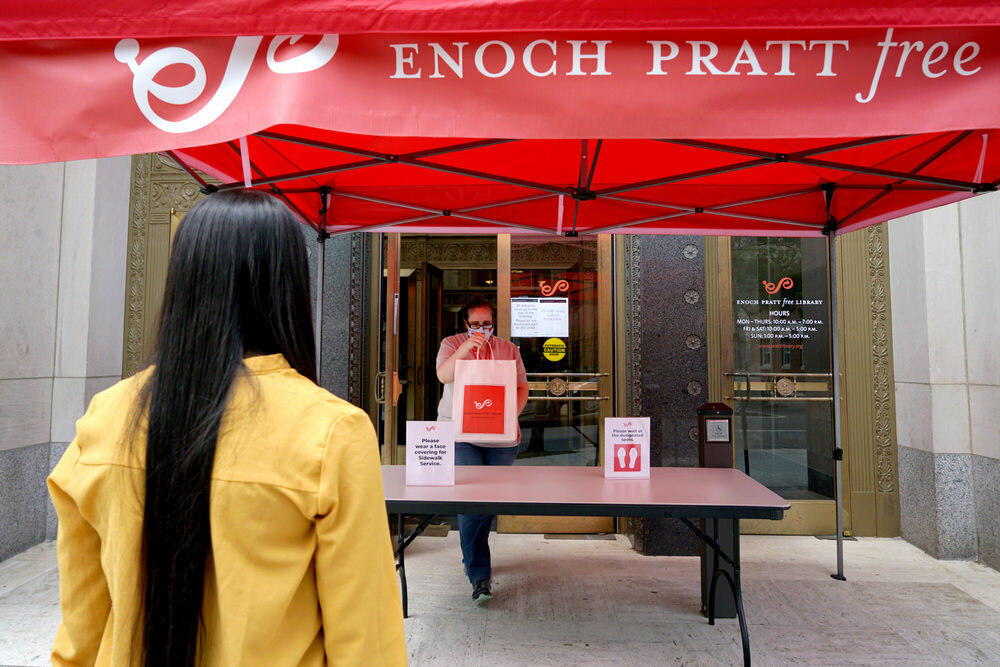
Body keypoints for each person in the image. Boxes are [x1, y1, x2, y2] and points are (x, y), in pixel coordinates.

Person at [47, 190, 407, 666]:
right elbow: (366, 643)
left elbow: (81, 627)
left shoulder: (104, 417)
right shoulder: (332, 430)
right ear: (288, 288)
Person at [435, 296, 529, 603]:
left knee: (488, 505)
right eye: (475, 324)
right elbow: (443, 375)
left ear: (494, 323)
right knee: (471, 503)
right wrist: (466, 347)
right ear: (465, 324)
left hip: (501, 438)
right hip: (460, 433)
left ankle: (472, 554)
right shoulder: (451, 344)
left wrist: (507, 416)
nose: (481, 329)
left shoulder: (508, 349)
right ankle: (479, 575)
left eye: (486, 324)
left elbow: (521, 386)